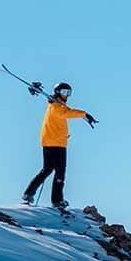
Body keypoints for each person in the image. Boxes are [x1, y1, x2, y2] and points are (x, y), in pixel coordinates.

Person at [23, 81, 95, 209]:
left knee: (47, 170)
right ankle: (57, 200)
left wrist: (85, 116)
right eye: (63, 92)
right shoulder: (56, 107)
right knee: (60, 172)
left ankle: (28, 193)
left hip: (49, 142)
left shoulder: (56, 105)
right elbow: (66, 113)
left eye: (68, 92)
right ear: (57, 92)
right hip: (56, 144)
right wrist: (84, 114)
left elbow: (68, 110)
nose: (66, 95)